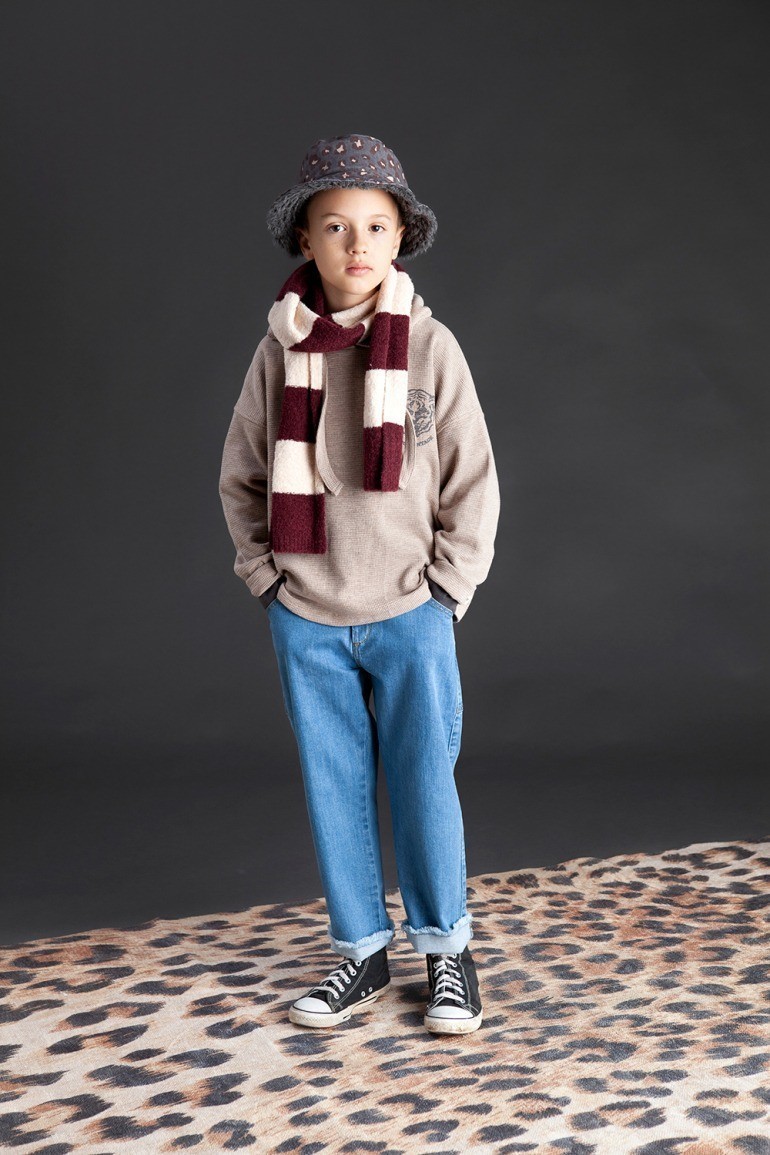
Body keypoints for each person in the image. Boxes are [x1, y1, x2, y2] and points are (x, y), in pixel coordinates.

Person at [219, 133, 500, 1034]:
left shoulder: (430, 348)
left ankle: (447, 951)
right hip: (308, 610)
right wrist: (268, 579)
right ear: (306, 240)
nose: (356, 244)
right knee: (333, 786)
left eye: (376, 225)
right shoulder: (280, 352)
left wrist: (446, 589)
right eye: (335, 226)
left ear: (400, 237)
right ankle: (361, 952)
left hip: (410, 607)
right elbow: (241, 475)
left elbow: (473, 481)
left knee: (424, 782)